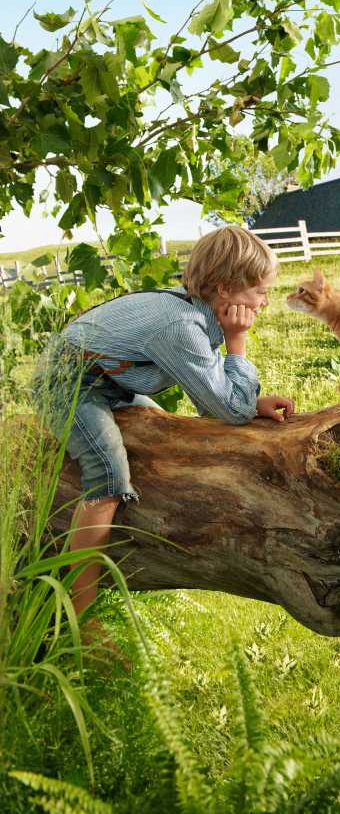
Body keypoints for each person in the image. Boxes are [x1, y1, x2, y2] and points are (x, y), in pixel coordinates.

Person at [33, 226, 294, 639]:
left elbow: (214, 400)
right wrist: (238, 342)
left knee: (165, 436)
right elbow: (227, 409)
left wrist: (245, 400)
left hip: (109, 385)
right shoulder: (182, 327)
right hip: (69, 383)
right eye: (260, 291)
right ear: (225, 288)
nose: (265, 301)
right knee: (109, 477)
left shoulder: (196, 316)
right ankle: (81, 621)